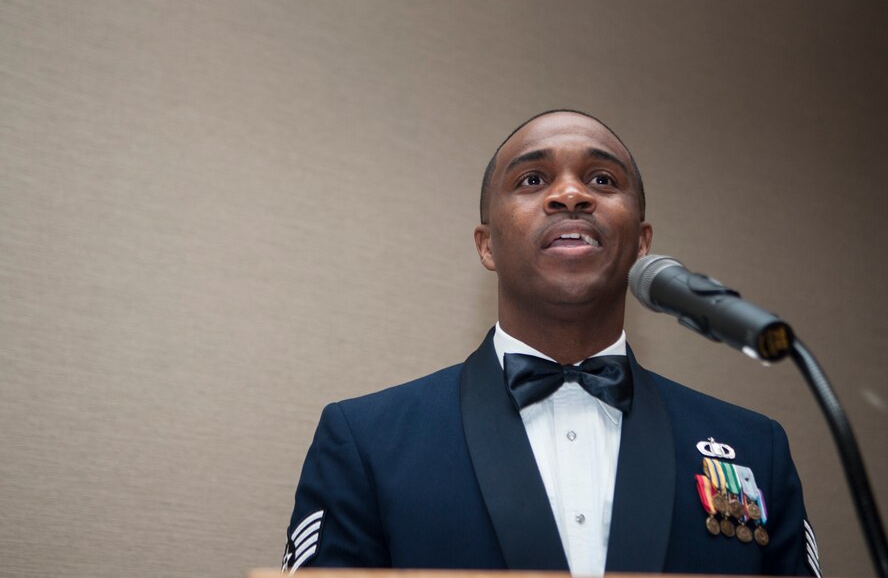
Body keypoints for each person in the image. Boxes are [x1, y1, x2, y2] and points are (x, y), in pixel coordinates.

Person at [282, 110, 820, 576]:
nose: (570, 194)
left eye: (603, 180)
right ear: (487, 244)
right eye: (534, 179)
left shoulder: (755, 448)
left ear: (641, 244)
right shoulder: (365, 441)